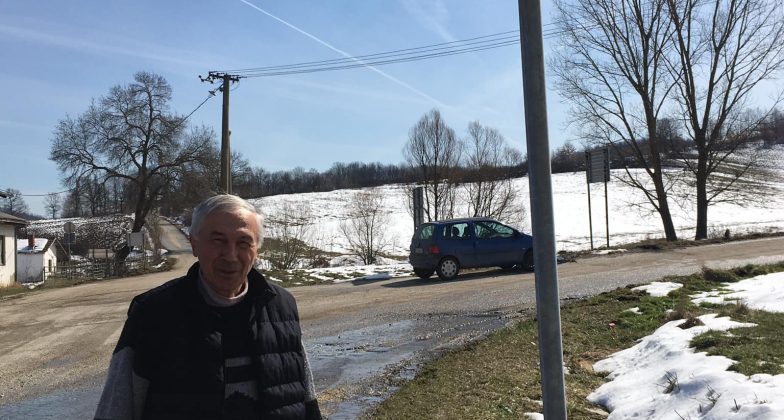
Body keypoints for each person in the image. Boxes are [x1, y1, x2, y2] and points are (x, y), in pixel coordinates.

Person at [95, 194, 321, 420]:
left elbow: (307, 405)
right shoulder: (151, 316)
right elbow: (116, 411)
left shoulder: (281, 308)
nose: (231, 256)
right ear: (194, 244)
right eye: (218, 240)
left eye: (243, 242)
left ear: (257, 250)